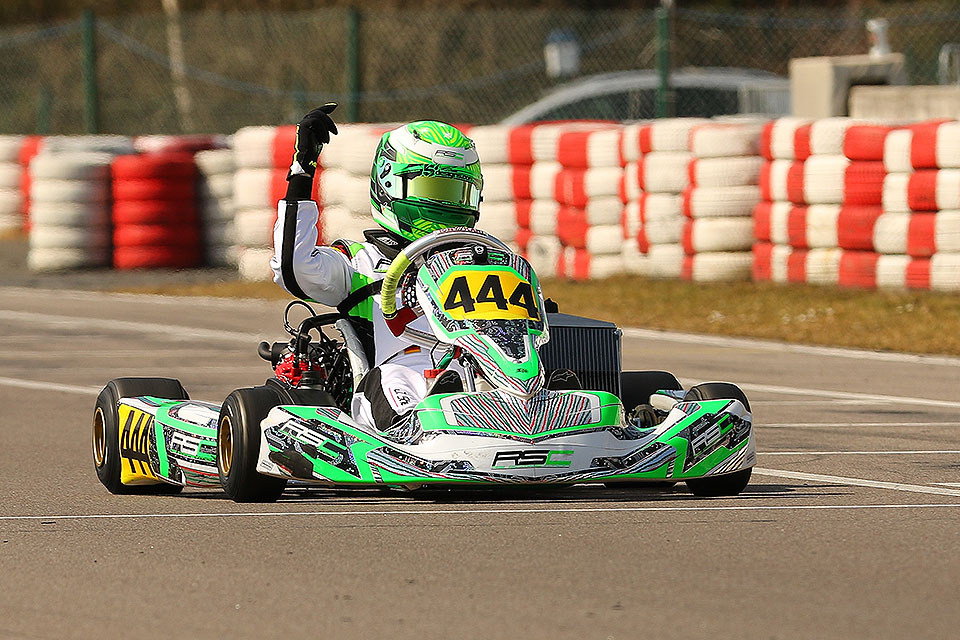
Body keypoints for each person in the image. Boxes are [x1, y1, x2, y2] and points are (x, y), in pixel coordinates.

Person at [271, 104, 483, 442]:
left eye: (454, 194)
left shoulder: (482, 260)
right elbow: (293, 268)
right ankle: (422, 428)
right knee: (396, 384)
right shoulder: (363, 262)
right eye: (433, 192)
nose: (445, 205)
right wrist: (301, 174)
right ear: (391, 185)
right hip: (405, 377)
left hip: (487, 378)